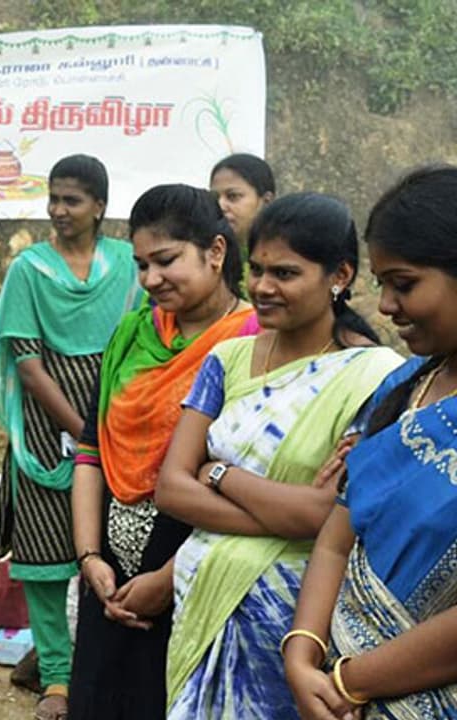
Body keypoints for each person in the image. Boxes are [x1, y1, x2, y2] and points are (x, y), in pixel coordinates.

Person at [157, 192, 402, 719]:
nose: (264, 288)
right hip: (201, 602)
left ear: (338, 275)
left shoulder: (374, 376)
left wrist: (217, 472)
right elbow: (171, 488)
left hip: (294, 619)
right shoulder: (226, 361)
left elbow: (325, 517)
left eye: (286, 273)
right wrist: (284, 509)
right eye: (259, 270)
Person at [69, 184, 259, 719]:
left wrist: (170, 577)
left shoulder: (255, 343)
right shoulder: (132, 335)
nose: (151, 279)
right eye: (141, 264)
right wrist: (90, 558)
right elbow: (90, 449)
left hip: (196, 576)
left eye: (166, 261)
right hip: (107, 578)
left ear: (216, 252)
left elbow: (255, 478)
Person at [285, 165, 457, 718]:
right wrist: (302, 653)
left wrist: (348, 682)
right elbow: (338, 537)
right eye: (382, 284)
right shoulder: (402, 389)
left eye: (403, 284)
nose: (384, 306)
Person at [0, 154, 138, 720]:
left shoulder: (126, 264)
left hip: (121, 426)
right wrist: (81, 431)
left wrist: (110, 431)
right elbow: (26, 362)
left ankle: (101, 668)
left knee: (117, 550)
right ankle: (56, 679)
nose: (59, 210)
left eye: (72, 200)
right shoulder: (30, 270)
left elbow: (143, 343)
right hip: (49, 436)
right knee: (46, 557)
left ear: (100, 205)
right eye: (53, 199)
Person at [210, 153, 275, 244]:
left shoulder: (289, 253)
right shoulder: (203, 254)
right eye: (214, 198)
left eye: (233, 196)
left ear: (266, 202)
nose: (220, 206)